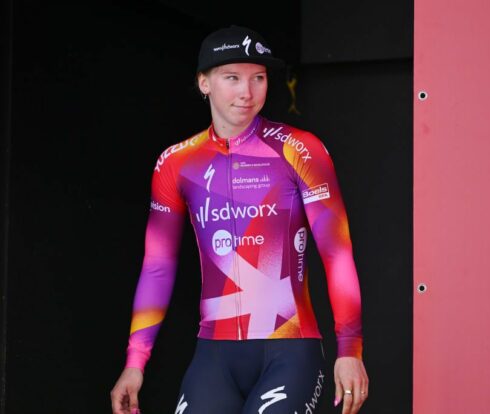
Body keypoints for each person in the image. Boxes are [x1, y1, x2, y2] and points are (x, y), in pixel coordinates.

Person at [110, 25, 369, 414]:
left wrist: (350, 349)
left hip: (290, 349)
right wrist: (134, 363)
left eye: (258, 78)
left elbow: (336, 252)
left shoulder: (300, 150)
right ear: (204, 83)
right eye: (232, 78)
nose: (247, 93)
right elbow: (158, 267)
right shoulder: (176, 162)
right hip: (214, 353)